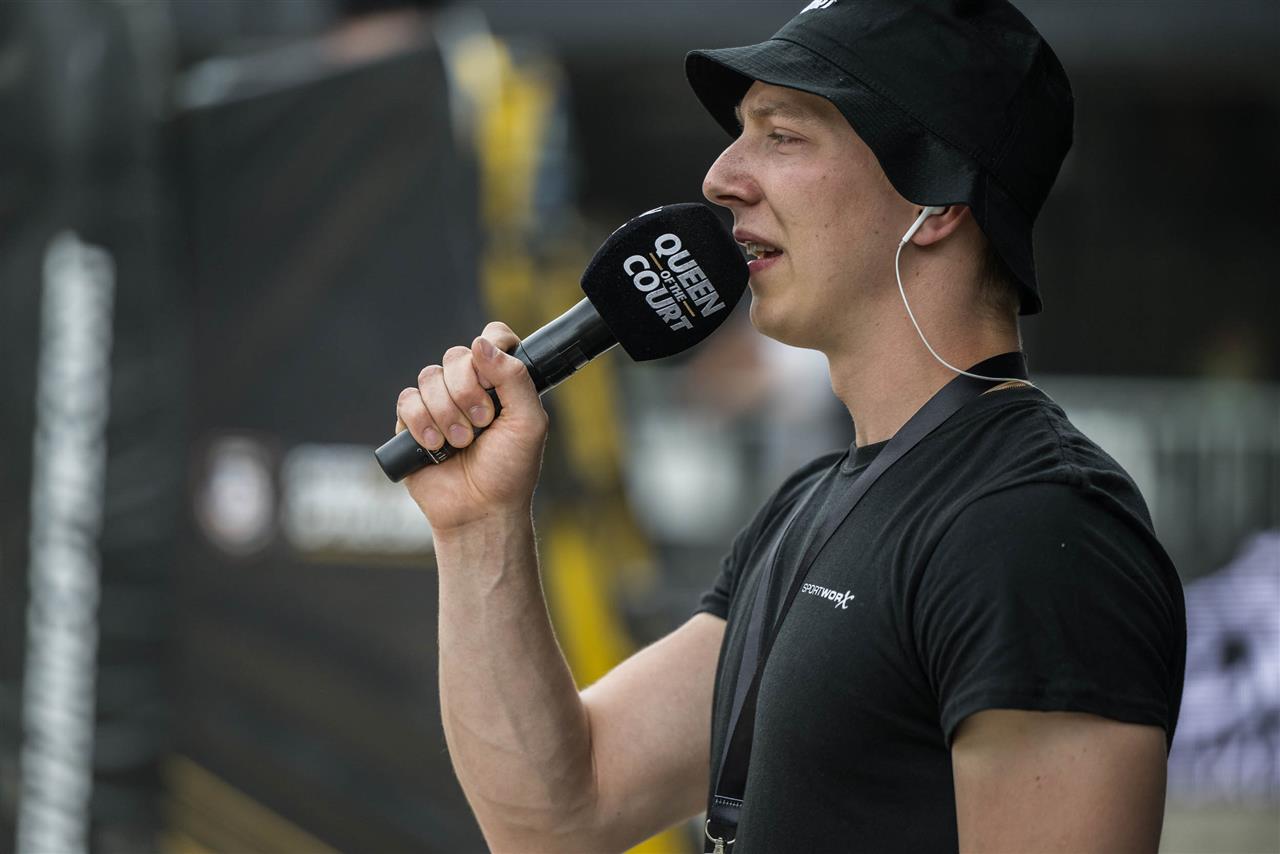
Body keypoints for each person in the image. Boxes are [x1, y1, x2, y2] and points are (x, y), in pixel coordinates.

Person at [392, 1, 1186, 851]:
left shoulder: (1035, 528)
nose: (721, 177)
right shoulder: (809, 510)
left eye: (782, 135)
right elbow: (556, 816)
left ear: (936, 196)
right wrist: (479, 526)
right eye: (741, 132)